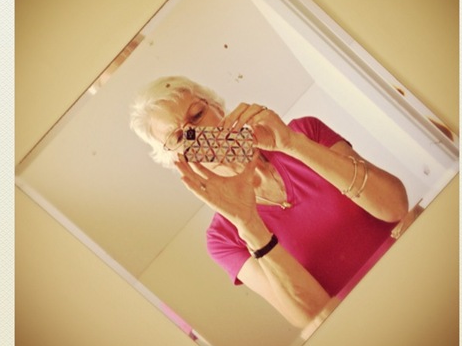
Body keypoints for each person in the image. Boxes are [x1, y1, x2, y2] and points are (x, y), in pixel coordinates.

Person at [130, 75, 409, 329]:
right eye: (179, 137)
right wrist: (248, 223)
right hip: (361, 325)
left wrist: (293, 145)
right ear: (175, 158)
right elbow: (315, 318)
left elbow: (395, 205)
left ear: (216, 107)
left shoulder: (304, 132)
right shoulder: (223, 237)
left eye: (197, 115)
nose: (196, 134)